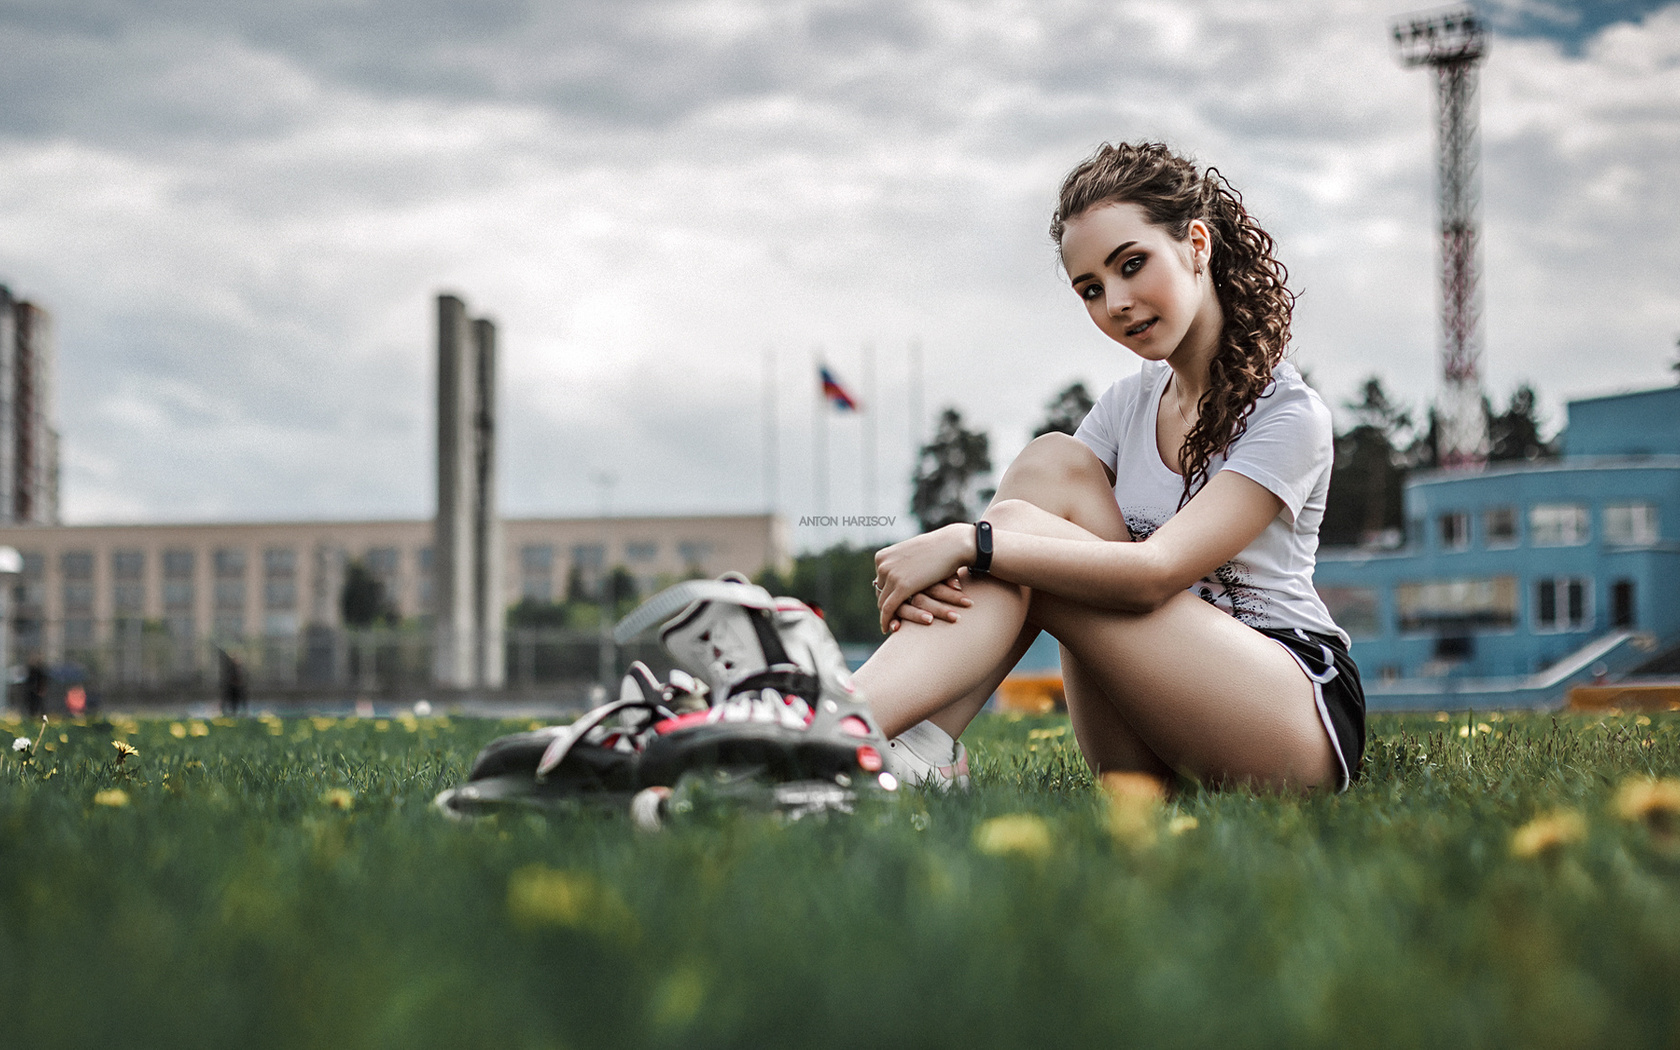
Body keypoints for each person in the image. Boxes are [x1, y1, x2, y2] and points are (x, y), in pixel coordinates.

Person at [856, 141, 1364, 794]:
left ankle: (824, 721)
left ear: (1197, 245)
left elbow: (1154, 575)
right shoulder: (1129, 406)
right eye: (1091, 289)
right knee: (1049, 467)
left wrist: (968, 541)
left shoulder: (1289, 415)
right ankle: (912, 747)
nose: (1116, 303)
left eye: (1131, 265)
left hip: (1288, 717)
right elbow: (1039, 533)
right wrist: (993, 547)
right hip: (1144, 732)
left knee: (1009, 533)